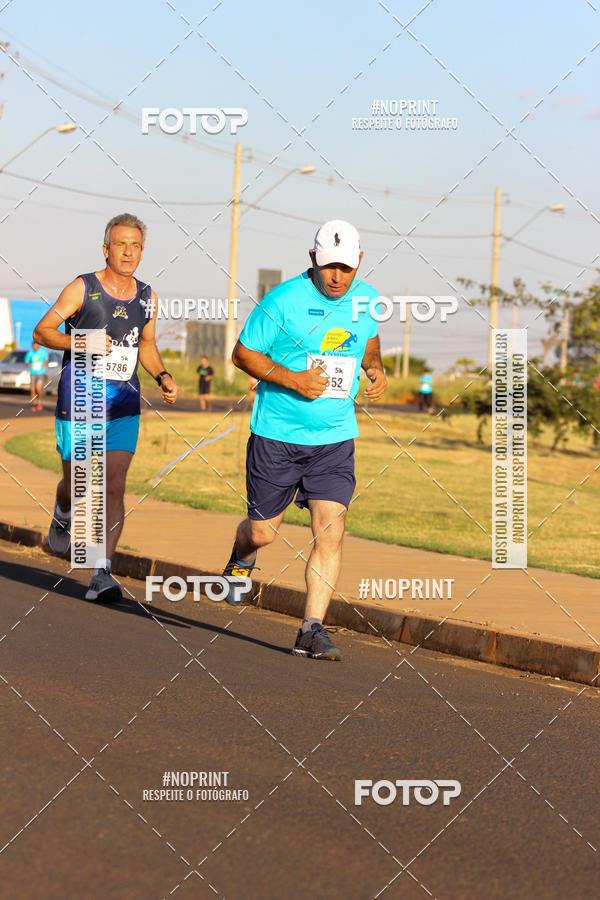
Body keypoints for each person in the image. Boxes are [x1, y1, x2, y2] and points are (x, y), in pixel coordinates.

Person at [221, 219, 387, 661]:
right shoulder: (282, 301)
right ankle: (241, 554)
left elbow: (369, 340)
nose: (337, 277)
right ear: (312, 258)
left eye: (346, 268)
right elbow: (242, 353)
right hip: (277, 436)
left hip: (334, 439)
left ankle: (311, 630)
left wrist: (374, 366)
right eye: (329, 266)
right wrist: (294, 379)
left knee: (331, 532)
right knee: (263, 533)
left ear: (359, 262)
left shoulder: (367, 299)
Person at [33, 213, 179, 602]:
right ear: (106, 249)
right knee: (78, 486)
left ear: (142, 252)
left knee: (113, 485)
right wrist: (82, 342)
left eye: (135, 246)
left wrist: (163, 375)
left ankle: (102, 572)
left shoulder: (148, 296)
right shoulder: (83, 288)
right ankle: (63, 509)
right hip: (80, 402)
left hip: (124, 405)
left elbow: (146, 345)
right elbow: (42, 332)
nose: (128, 252)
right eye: (120, 244)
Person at [24, 340, 49, 411]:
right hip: (33, 373)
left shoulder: (43, 352)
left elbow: (46, 359)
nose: (35, 347)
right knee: (32, 389)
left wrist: (43, 365)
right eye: (33, 345)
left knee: (38, 388)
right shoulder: (30, 353)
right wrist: (28, 364)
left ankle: (39, 402)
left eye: (36, 345)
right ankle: (35, 404)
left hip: (40, 372)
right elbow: (26, 361)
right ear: (32, 346)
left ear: (38, 345)